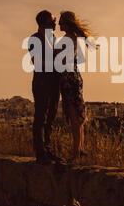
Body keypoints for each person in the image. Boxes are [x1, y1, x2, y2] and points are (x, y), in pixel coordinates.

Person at [57, 11, 94, 161]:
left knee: (73, 116)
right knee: (78, 117)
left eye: (61, 21)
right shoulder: (75, 38)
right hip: (75, 76)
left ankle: (75, 154)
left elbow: (59, 58)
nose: (59, 24)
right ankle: (80, 149)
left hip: (68, 78)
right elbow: (80, 60)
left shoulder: (67, 39)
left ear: (67, 23)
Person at [28, 10, 63, 165]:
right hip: (42, 82)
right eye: (52, 21)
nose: (55, 23)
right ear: (44, 23)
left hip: (54, 82)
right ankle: (40, 152)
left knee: (51, 118)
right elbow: (37, 62)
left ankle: (47, 149)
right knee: (41, 117)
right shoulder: (34, 39)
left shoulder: (52, 38)